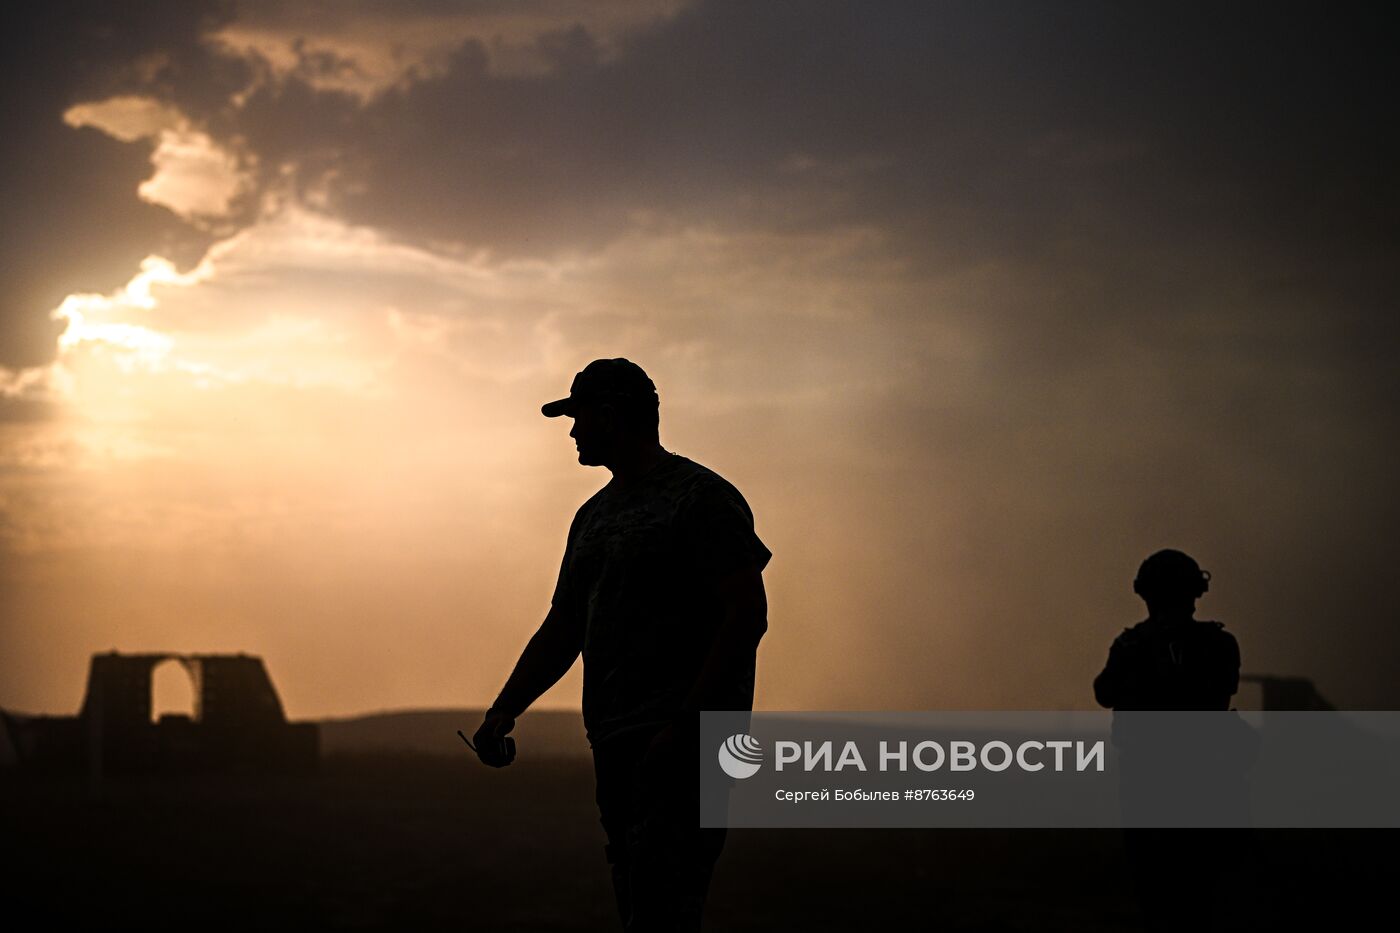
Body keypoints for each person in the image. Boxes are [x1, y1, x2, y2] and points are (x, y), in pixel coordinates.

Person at [471, 358, 772, 932]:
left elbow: (746, 614)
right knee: (638, 901)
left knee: (664, 908)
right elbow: (564, 626)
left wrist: (686, 726)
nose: (573, 431)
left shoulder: (700, 498)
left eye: (578, 417)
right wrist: (505, 709)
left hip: (683, 746)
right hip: (618, 740)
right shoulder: (594, 516)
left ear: (610, 416)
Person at [1093, 549, 1255, 933]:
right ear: (1194, 593)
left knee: (1166, 894)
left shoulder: (1133, 646)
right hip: (1202, 785)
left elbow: (1105, 692)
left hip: (1161, 787)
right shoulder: (1217, 644)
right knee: (1200, 895)